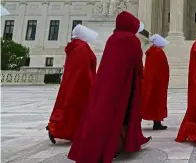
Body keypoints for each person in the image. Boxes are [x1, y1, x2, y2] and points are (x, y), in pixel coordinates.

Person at [68, 11, 151, 162]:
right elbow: (137, 63)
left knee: (104, 115)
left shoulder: (112, 39)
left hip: (106, 85)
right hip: (125, 85)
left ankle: (98, 146)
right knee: (125, 113)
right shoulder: (132, 40)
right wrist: (142, 75)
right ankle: (118, 144)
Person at [46, 25, 98, 144]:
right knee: (76, 109)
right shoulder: (82, 47)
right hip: (81, 84)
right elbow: (83, 69)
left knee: (70, 108)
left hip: (73, 82)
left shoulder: (76, 45)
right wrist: (92, 84)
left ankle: (57, 128)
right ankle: (56, 128)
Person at [140, 34, 170, 130]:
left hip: (151, 81)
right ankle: (157, 123)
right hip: (157, 82)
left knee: (148, 101)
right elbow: (161, 68)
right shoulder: (158, 52)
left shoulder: (152, 51)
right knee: (156, 102)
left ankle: (156, 122)